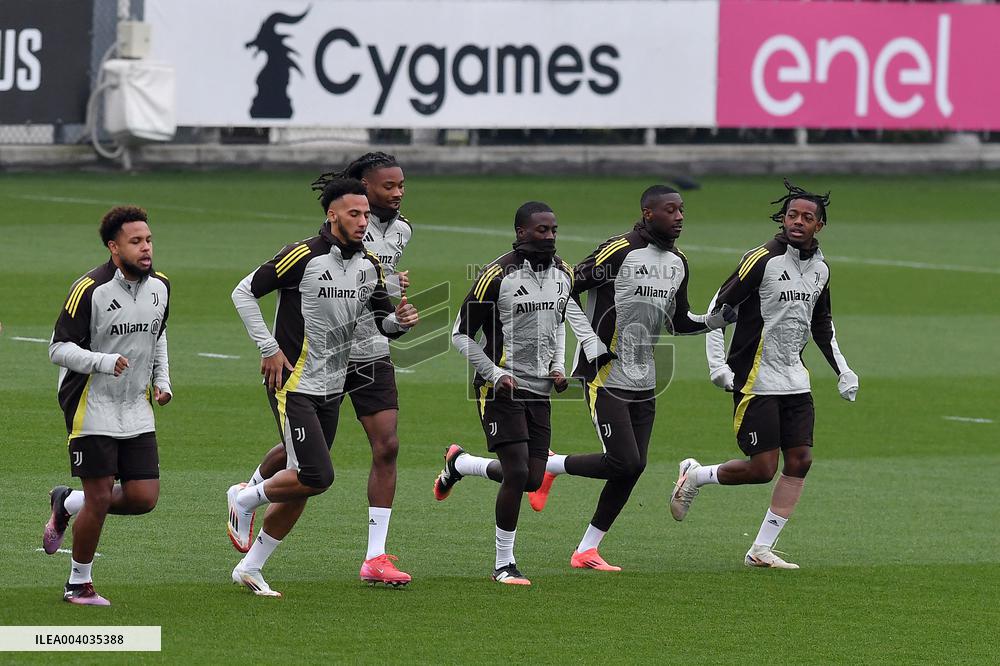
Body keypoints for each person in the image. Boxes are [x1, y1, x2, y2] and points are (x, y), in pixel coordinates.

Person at [524, 185, 734, 571]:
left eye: (682, 209)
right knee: (623, 461)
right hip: (605, 374)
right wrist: (589, 342)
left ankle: (586, 550)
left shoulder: (679, 262)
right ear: (648, 213)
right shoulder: (619, 250)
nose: (679, 216)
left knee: (634, 466)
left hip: (645, 379)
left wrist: (715, 320)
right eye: (670, 210)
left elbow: (678, 321)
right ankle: (550, 467)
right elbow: (563, 288)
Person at [227, 178, 419, 596]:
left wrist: (400, 323)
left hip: (332, 384)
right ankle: (244, 498)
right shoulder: (303, 255)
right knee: (316, 475)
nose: (363, 221)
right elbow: (243, 292)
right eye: (354, 214)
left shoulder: (370, 264)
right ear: (332, 215)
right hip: (293, 382)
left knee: (304, 482)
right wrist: (269, 347)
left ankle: (251, 566)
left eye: (366, 214)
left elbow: (383, 323)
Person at [669, 179, 859, 569]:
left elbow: (821, 323)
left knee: (801, 460)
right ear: (782, 219)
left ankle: (760, 550)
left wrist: (843, 369)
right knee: (762, 469)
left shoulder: (821, 269)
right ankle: (695, 476)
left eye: (807, 217)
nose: (798, 222)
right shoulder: (763, 259)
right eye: (792, 215)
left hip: (795, 379)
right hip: (754, 377)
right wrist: (717, 365)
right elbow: (718, 309)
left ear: (819, 225)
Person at [433, 201, 608, 586]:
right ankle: (504, 564)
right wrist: (494, 373)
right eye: (542, 230)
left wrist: (558, 366)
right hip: (500, 389)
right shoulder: (496, 276)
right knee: (515, 472)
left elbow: (559, 323)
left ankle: (460, 464)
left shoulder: (564, 273)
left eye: (554, 230)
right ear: (521, 232)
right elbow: (460, 334)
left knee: (530, 478)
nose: (550, 237)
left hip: (539, 390)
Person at [42, 206, 172, 606]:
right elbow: (57, 349)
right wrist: (102, 361)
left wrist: (162, 380)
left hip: (136, 405)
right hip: (90, 403)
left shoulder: (161, 286)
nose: (146, 248)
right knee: (99, 497)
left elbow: (158, 336)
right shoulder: (90, 289)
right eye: (136, 242)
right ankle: (78, 585)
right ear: (114, 247)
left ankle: (67, 503)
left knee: (143, 497)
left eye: (148, 240)